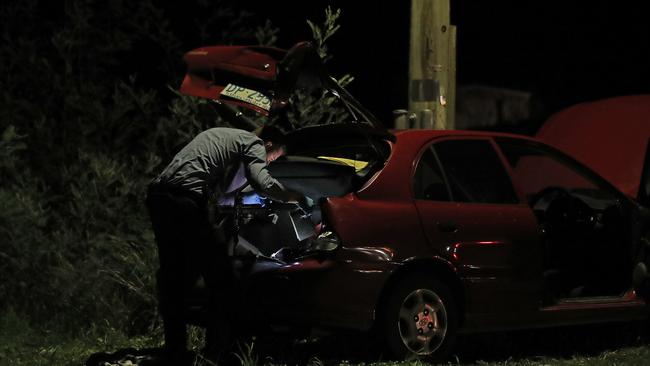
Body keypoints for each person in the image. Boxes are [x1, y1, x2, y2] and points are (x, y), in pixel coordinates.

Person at [146, 125, 306, 363]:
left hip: (158, 197)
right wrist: (292, 196)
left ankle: (175, 351)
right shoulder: (254, 143)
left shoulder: (223, 135)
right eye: (273, 158)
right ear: (269, 145)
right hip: (184, 201)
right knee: (221, 278)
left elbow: (222, 195)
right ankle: (219, 351)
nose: (270, 162)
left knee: (174, 277)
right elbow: (262, 180)